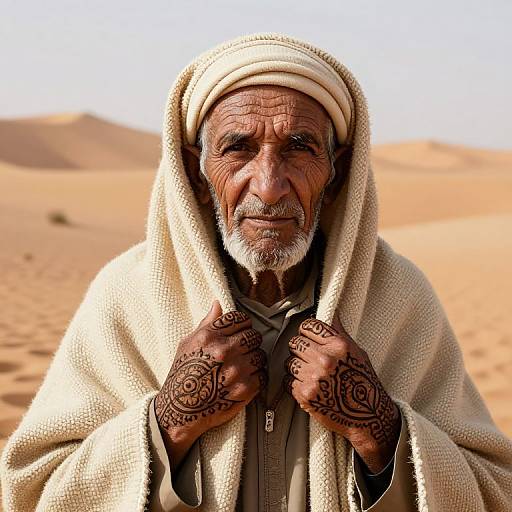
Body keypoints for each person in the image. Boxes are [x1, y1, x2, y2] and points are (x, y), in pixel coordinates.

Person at [1, 33, 511, 512]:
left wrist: (378, 425)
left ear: (336, 175)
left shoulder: (398, 295)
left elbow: (493, 491)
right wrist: (170, 419)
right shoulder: (129, 295)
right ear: (196, 173)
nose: (268, 186)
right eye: (239, 149)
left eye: (299, 148)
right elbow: (34, 490)